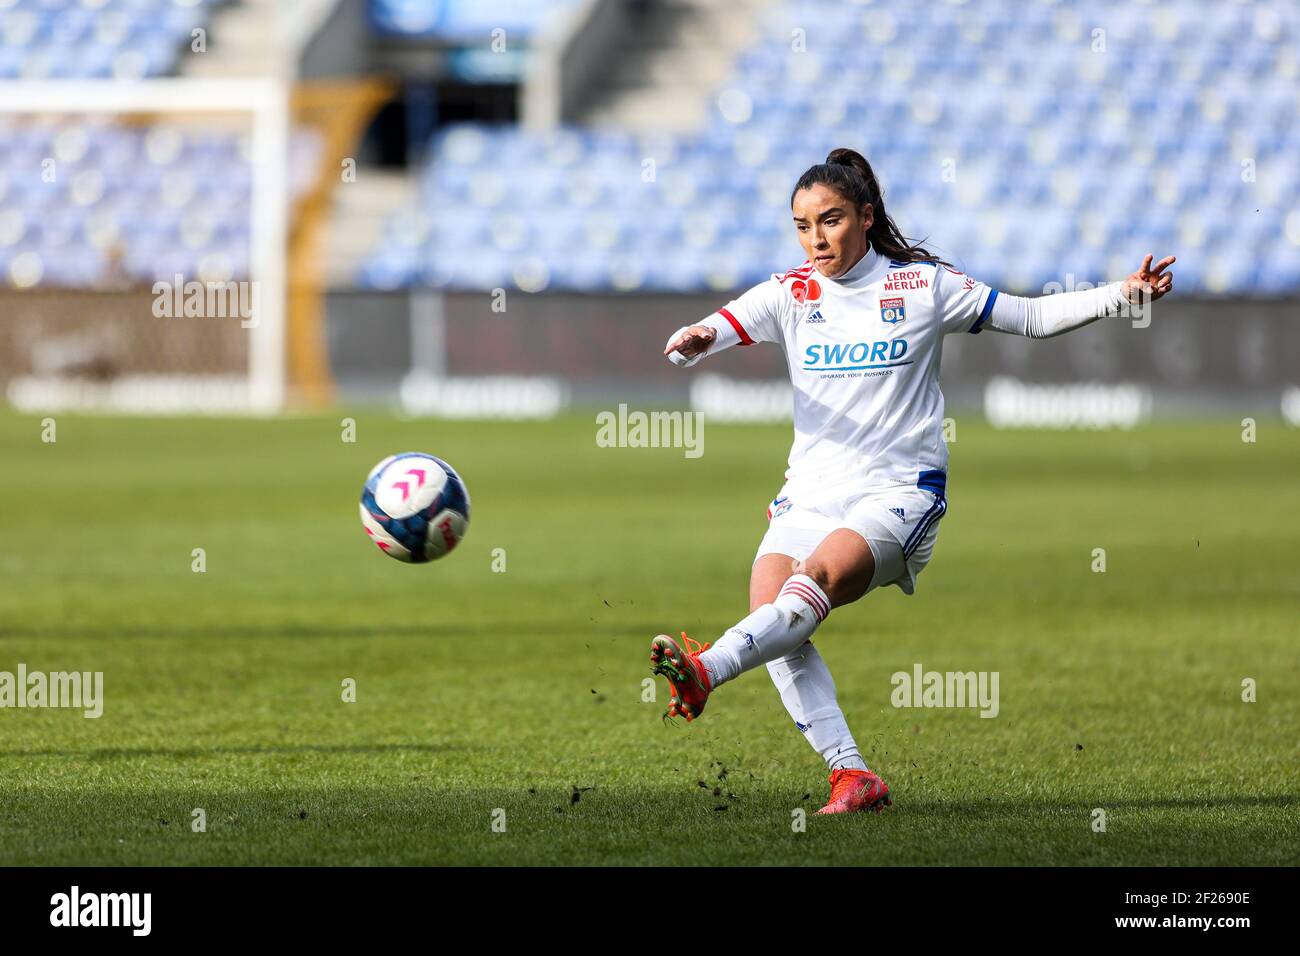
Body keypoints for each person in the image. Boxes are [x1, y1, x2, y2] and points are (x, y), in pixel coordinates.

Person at [651, 147, 1175, 815]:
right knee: (774, 624)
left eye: (832, 221)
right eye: (803, 225)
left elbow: (1033, 318)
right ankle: (852, 776)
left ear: (866, 217)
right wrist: (693, 338)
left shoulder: (921, 286)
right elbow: (702, 333)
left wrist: (1123, 294)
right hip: (809, 496)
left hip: (899, 492)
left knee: (806, 585)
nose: (817, 239)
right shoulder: (792, 293)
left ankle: (705, 672)